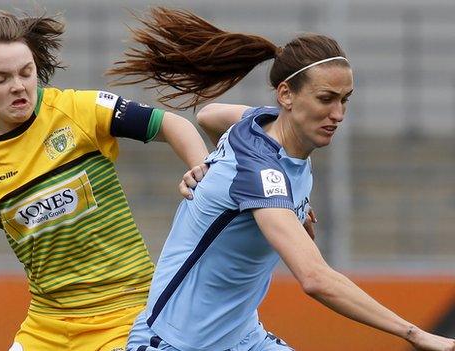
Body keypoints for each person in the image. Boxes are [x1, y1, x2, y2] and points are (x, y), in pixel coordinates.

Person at [107, 7, 455, 351]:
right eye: (326, 99)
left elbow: (209, 114)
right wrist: (415, 334)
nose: (338, 114)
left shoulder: (261, 123)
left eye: (345, 100)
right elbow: (316, 279)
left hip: (242, 338)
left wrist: (212, 170)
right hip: (176, 343)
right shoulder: (260, 173)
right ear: (286, 94)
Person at [0, 10, 209, 351]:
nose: (18, 85)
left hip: (125, 313)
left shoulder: (78, 110)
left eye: (26, 72)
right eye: (0, 78)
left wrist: (200, 169)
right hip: (47, 327)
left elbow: (171, 124)